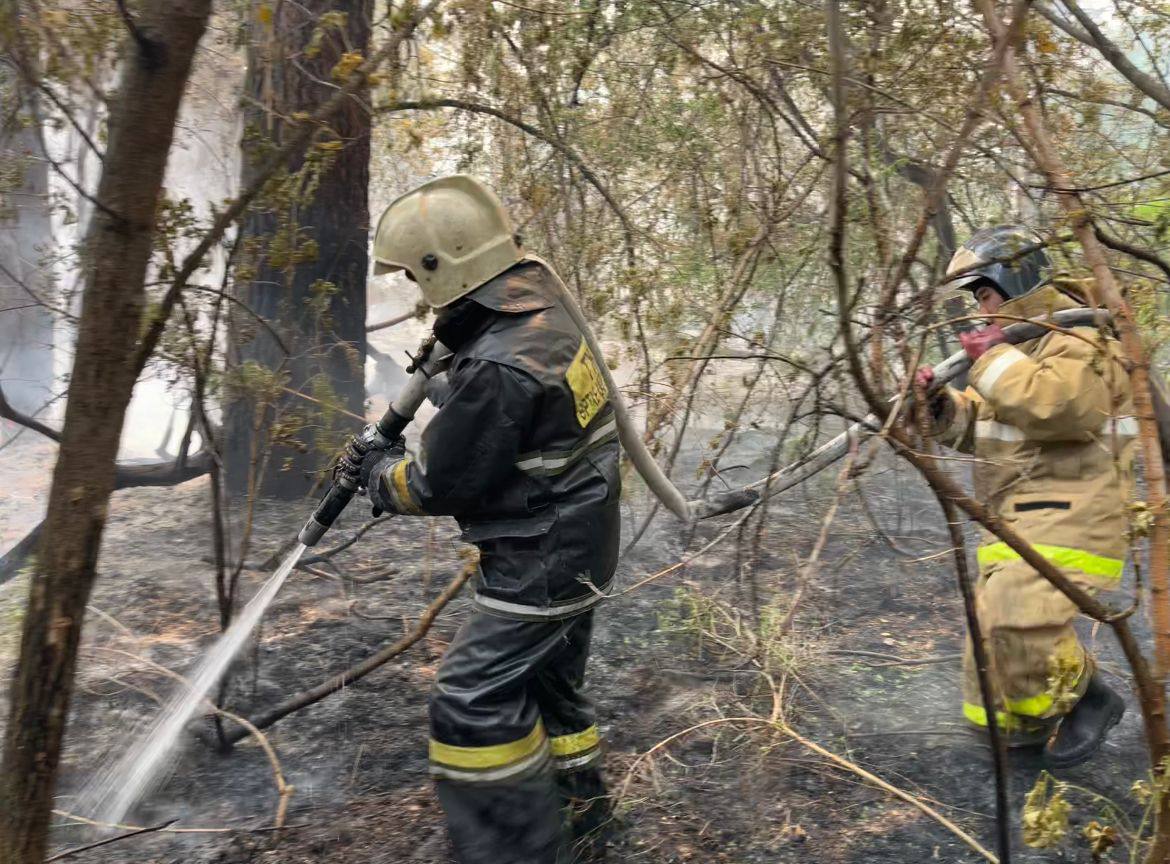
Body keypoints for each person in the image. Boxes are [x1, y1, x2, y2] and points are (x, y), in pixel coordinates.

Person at [349, 174, 619, 863]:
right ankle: (587, 828)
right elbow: (521, 415)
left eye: (416, 274)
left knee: (469, 700)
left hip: (541, 559)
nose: (415, 291)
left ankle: (519, 850)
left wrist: (377, 478)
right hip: (580, 543)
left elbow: (441, 481)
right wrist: (447, 376)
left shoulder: (500, 367)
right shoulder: (540, 315)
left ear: (445, 266)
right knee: (552, 693)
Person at [915, 224, 1134, 767]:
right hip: (1016, 519)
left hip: (1076, 517)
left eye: (985, 295)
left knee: (1018, 615)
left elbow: (1060, 407)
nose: (981, 311)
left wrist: (991, 361)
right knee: (988, 641)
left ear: (1015, 281)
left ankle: (1089, 695)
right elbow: (986, 430)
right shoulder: (1015, 351)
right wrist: (940, 404)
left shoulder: (1079, 340)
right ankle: (1015, 744)